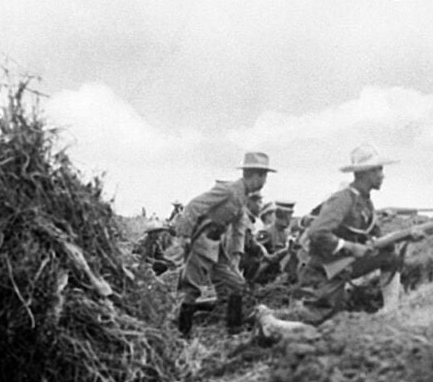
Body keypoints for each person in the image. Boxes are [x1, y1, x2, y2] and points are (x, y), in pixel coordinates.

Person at [290, 143, 410, 324]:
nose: (382, 175)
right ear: (365, 173)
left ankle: (389, 312)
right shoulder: (343, 198)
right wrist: (351, 246)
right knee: (315, 321)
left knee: (390, 257)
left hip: (339, 269)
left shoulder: (365, 202)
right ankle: (269, 318)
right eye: (378, 170)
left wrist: (407, 236)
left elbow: (375, 239)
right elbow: (317, 232)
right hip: (321, 272)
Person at [173, 152, 275, 336]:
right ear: (252, 175)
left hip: (217, 246)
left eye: (265, 176)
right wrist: (185, 236)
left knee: (237, 283)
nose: (264, 181)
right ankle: (182, 334)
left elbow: (238, 230)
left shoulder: (243, 196)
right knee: (192, 289)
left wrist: (236, 256)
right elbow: (194, 206)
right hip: (203, 241)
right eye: (262, 176)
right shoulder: (228, 190)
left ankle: (233, 328)